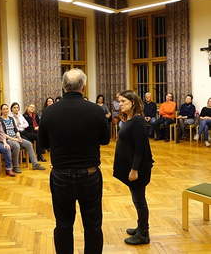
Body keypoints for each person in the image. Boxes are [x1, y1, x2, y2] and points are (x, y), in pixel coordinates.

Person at [39, 68, 110, 254]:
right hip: (90, 175)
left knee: (63, 225)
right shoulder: (96, 110)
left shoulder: (49, 112)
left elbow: (43, 144)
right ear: (83, 87)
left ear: (63, 87)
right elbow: (105, 140)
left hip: (61, 176)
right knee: (93, 225)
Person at [113, 90, 154, 245]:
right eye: (119, 101)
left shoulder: (137, 121)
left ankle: (144, 234)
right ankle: (140, 227)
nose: (120, 104)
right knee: (137, 199)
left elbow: (140, 148)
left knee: (140, 200)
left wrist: (134, 169)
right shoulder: (129, 119)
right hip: (132, 166)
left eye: (123, 101)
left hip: (138, 168)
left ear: (133, 103)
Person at [10, 103, 45, 170]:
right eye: (14, 107)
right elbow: (15, 127)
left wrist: (20, 125)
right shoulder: (10, 117)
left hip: (24, 132)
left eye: (17, 107)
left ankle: (35, 162)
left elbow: (26, 124)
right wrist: (19, 126)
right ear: (11, 109)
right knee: (29, 142)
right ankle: (27, 159)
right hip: (17, 133)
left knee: (36, 137)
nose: (16, 109)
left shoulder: (20, 115)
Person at [0, 104, 21, 173]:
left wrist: (19, 137)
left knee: (28, 144)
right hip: (7, 139)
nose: (6, 110)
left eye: (7, 109)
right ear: (1, 110)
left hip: (15, 137)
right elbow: (3, 134)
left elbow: (16, 130)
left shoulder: (11, 118)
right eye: (4, 109)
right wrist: (15, 139)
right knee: (16, 146)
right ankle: (15, 167)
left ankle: (35, 164)